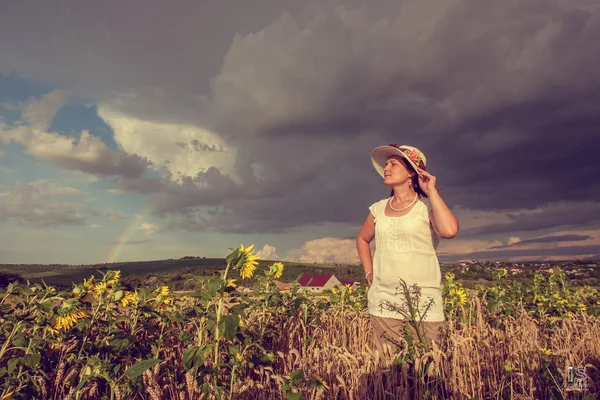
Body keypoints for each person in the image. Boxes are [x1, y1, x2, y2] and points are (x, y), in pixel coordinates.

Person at [356, 144, 459, 358]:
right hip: (384, 300)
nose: (386, 168)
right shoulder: (377, 209)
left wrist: (431, 192)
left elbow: (449, 231)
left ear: (411, 171)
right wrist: (369, 272)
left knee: (430, 368)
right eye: (386, 165)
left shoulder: (425, 210)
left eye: (393, 164)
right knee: (390, 372)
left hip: (424, 302)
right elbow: (362, 239)